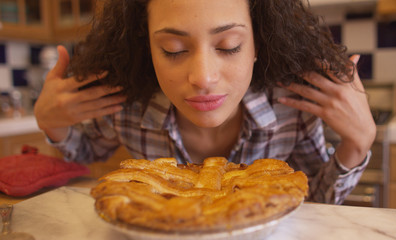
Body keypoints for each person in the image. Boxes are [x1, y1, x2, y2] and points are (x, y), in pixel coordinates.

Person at [33, 0, 376, 204]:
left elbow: (314, 203)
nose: (203, 77)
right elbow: (87, 152)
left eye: (229, 45)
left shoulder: (293, 108)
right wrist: (53, 124)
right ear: (146, 49)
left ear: (259, 43)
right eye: (173, 50)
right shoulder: (127, 105)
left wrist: (357, 144)